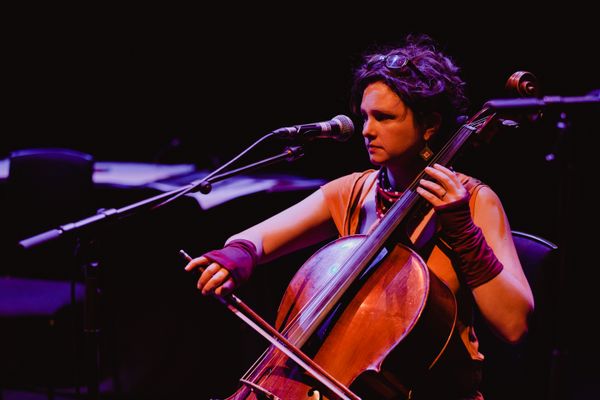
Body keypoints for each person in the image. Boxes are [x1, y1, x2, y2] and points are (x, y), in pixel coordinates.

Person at [184, 34, 534, 399]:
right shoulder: (353, 191)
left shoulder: (473, 201)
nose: (367, 130)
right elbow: (255, 240)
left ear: (430, 125)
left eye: (384, 118)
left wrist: (462, 231)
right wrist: (236, 256)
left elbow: (514, 324)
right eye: (365, 116)